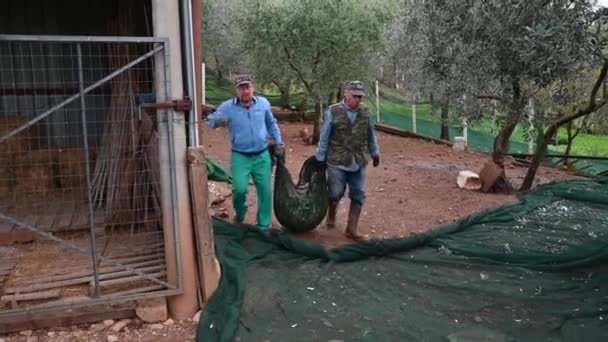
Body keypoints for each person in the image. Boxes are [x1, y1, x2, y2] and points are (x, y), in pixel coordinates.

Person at [207, 75, 284, 233]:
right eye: (241, 88)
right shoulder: (228, 107)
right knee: (239, 189)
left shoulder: (263, 103)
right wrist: (217, 121)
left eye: (247, 87)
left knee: (264, 190)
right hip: (240, 156)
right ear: (236, 90)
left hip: (262, 155)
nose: (245, 91)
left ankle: (263, 226)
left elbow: (271, 123)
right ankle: (240, 214)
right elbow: (210, 120)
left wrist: (278, 142)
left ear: (253, 87)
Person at [315, 80, 380, 241]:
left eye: (360, 96)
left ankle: (352, 229)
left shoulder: (365, 111)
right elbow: (324, 137)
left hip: (358, 159)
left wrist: (375, 152)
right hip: (337, 160)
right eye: (355, 96)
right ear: (346, 93)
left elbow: (370, 134)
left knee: (358, 194)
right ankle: (331, 215)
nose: (357, 99)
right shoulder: (333, 111)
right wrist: (320, 158)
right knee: (335, 192)